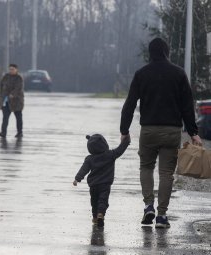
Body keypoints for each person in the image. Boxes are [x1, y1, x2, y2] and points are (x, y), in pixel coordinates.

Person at [120, 37, 202, 229]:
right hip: (171, 131)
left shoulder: (142, 74)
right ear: (167, 51)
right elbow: (187, 106)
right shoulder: (179, 74)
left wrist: (124, 130)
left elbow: (130, 104)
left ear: (150, 53)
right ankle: (162, 216)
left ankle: (149, 205)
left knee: (146, 167)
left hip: (148, 130)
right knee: (166, 173)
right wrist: (193, 132)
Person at [73, 134, 130, 228]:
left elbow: (84, 169)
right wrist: (126, 141)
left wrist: (77, 178)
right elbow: (120, 150)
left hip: (93, 185)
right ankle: (101, 214)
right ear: (104, 144)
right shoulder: (110, 154)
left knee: (94, 201)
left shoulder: (89, 159)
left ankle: (95, 217)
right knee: (103, 201)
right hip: (105, 184)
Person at [0, 64, 24, 138]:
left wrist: (13, 94)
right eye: (10, 69)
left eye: (13, 69)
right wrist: (1, 96)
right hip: (6, 100)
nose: (11, 71)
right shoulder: (5, 77)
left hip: (17, 101)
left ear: (16, 70)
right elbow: (1, 86)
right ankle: (3, 132)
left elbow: (18, 88)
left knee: (18, 117)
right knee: (5, 117)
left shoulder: (19, 78)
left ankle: (19, 132)